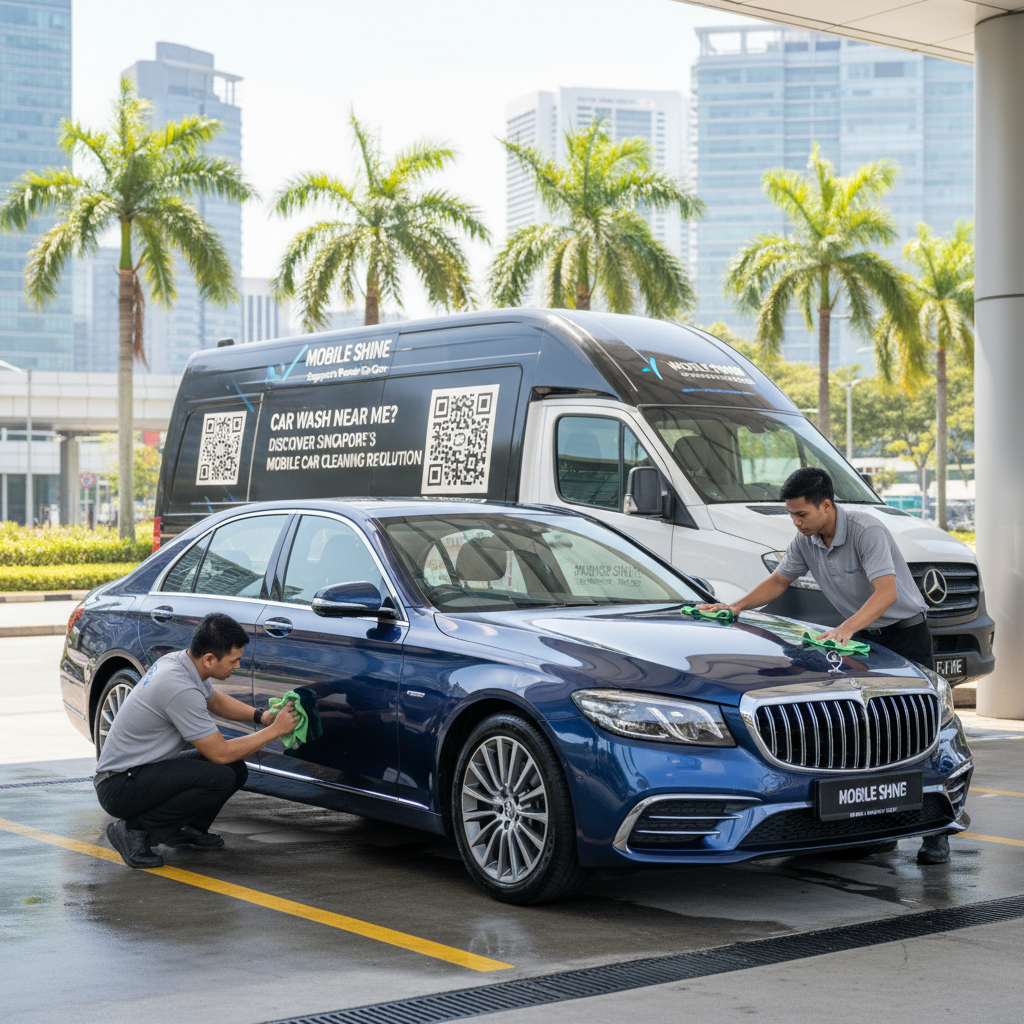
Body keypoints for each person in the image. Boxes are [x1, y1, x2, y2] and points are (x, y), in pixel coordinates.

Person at [697, 466, 950, 865]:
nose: (796, 522)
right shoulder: (805, 540)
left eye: (801, 514)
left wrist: (845, 629)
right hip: (862, 639)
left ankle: (937, 832)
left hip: (903, 634)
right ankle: (879, 823)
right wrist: (736, 606)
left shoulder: (867, 531)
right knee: (873, 731)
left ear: (826, 505)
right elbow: (778, 582)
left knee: (918, 728)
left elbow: (886, 593)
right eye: (791, 515)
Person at [94, 612, 298, 869]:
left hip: (139, 772)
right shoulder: (179, 687)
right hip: (119, 786)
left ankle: (183, 829)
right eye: (234, 660)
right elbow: (220, 753)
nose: (237, 666)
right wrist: (275, 731)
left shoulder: (182, 663)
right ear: (209, 659)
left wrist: (262, 716)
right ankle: (133, 831)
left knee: (234, 769)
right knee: (220, 775)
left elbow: (214, 701)